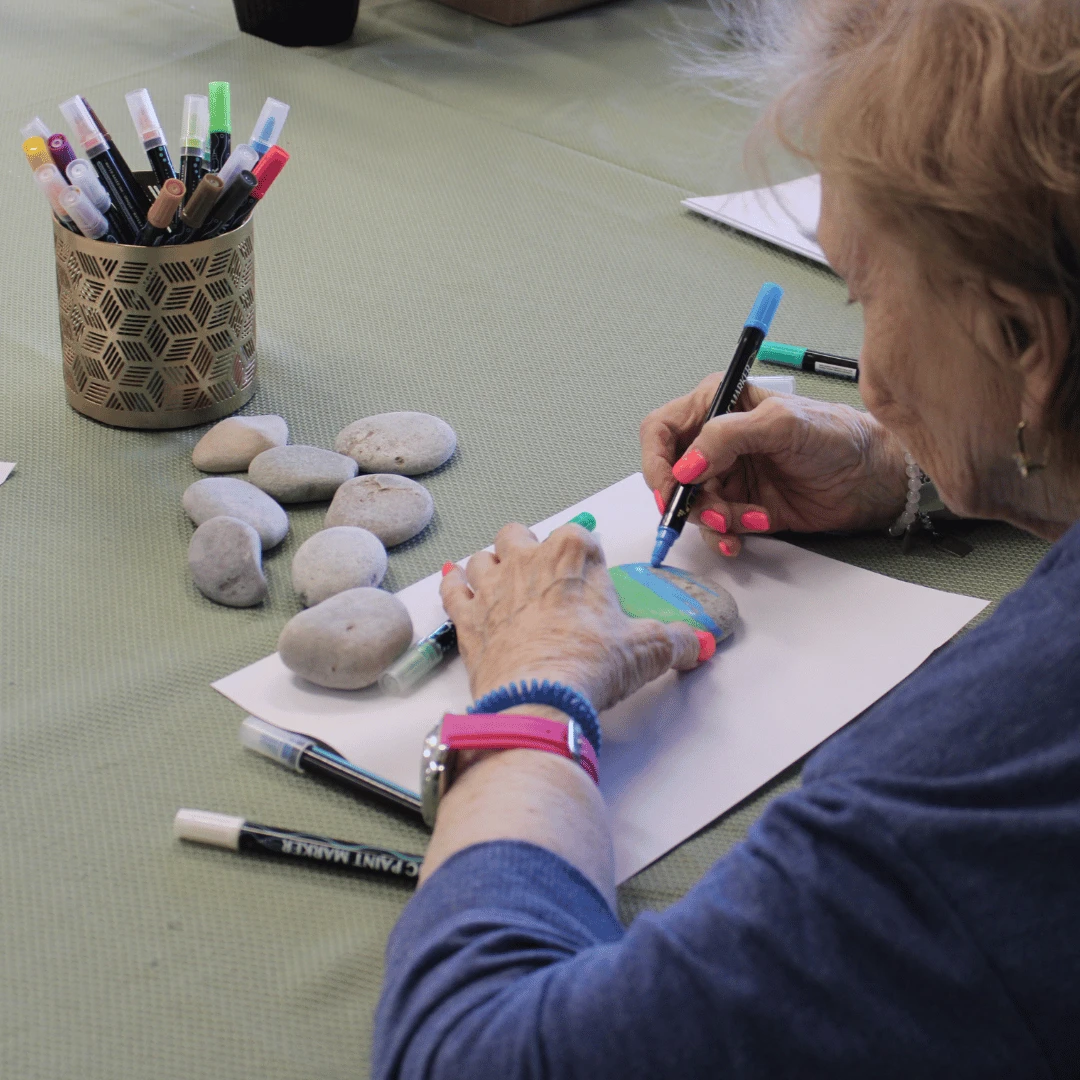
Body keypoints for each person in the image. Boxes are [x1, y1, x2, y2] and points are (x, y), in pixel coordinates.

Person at [373, 0, 1080, 1075]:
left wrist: (532, 704)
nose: (872, 378)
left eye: (863, 292)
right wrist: (930, 467)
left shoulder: (971, 787)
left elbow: (472, 1057)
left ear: (1025, 336)